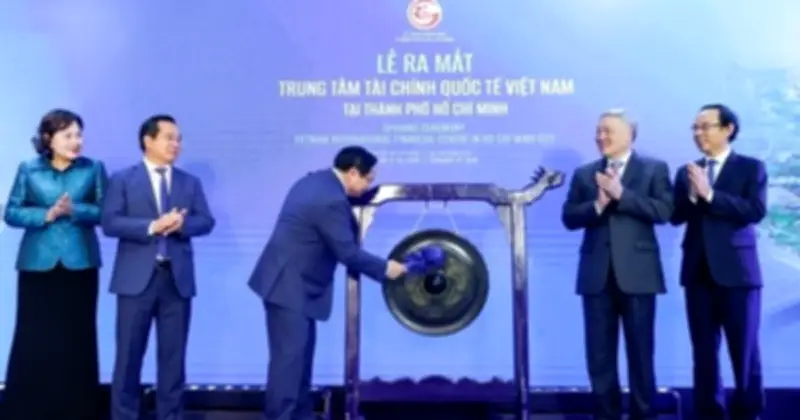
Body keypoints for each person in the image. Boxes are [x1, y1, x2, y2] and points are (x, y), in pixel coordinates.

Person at [248, 145, 408, 420]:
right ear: (353, 172)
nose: (368, 185)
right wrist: (386, 268)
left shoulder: (316, 181)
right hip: (290, 287)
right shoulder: (330, 200)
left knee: (298, 365)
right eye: (368, 179)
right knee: (289, 368)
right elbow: (347, 252)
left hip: (291, 284)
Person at [561, 109, 673, 420]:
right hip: (596, 276)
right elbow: (569, 217)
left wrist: (621, 194)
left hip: (638, 275)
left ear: (629, 134)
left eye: (607, 131)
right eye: (598, 131)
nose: (600, 137)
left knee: (641, 354)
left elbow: (664, 211)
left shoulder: (654, 169)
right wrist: (598, 205)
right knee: (599, 357)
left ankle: (643, 414)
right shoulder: (585, 174)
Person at [101, 114, 215, 420]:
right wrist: (152, 226)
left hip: (176, 281)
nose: (176, 144)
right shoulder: (123, 179)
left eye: (178, 139)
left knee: (173, 359)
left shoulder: (189, 182)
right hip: (135, 281)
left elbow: (206, 221)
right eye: (169, 138)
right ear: (148, 140)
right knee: (128, 358)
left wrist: (182, 225)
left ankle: (171, 416)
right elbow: (110, 222)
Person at [0, 109, 107, 420]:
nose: (76, 141)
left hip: (80, 263)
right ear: (49, 138)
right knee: (34, 336)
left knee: (77, 336)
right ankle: (27, 409)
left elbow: (106, 211)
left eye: (79, 135)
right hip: (37, 264)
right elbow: (11, 212)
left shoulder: (93, 169)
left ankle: (78, 408)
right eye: (68, 135)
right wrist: (45, 214)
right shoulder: (29, 169)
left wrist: (76, 210)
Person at [671, 104, 766, 420]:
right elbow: (675, 216)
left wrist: (710, 195)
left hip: (738, 274)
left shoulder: (751, 168)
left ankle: (748, 413)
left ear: (728, 129)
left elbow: (754, 211)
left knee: (744, 351)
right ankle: (709, 413)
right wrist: (692, 197)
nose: (699, 133)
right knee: (703, 352)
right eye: (695, 128)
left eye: (706, 126)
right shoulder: (686, 172)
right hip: (698, 272)